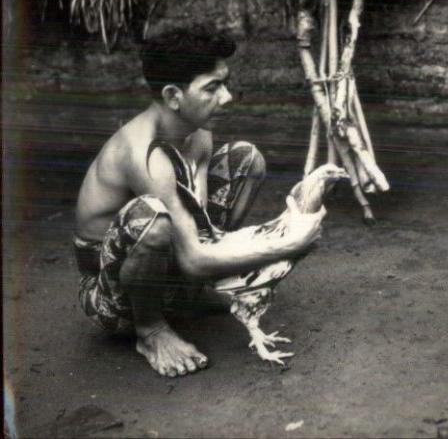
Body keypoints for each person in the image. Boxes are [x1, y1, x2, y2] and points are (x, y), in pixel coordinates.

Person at [73, 27, 325, 377]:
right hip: (110, 290)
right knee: (153, 217)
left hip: (170, 258)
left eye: (225, 83)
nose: (227, 97)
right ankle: (151, 331)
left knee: (246, 161)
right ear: (174, 95)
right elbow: (190, 257)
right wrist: (289, 244)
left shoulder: (197, 131)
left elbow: (201, 221)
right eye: (212, 88)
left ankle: (188, 294)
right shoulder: (143, 154)